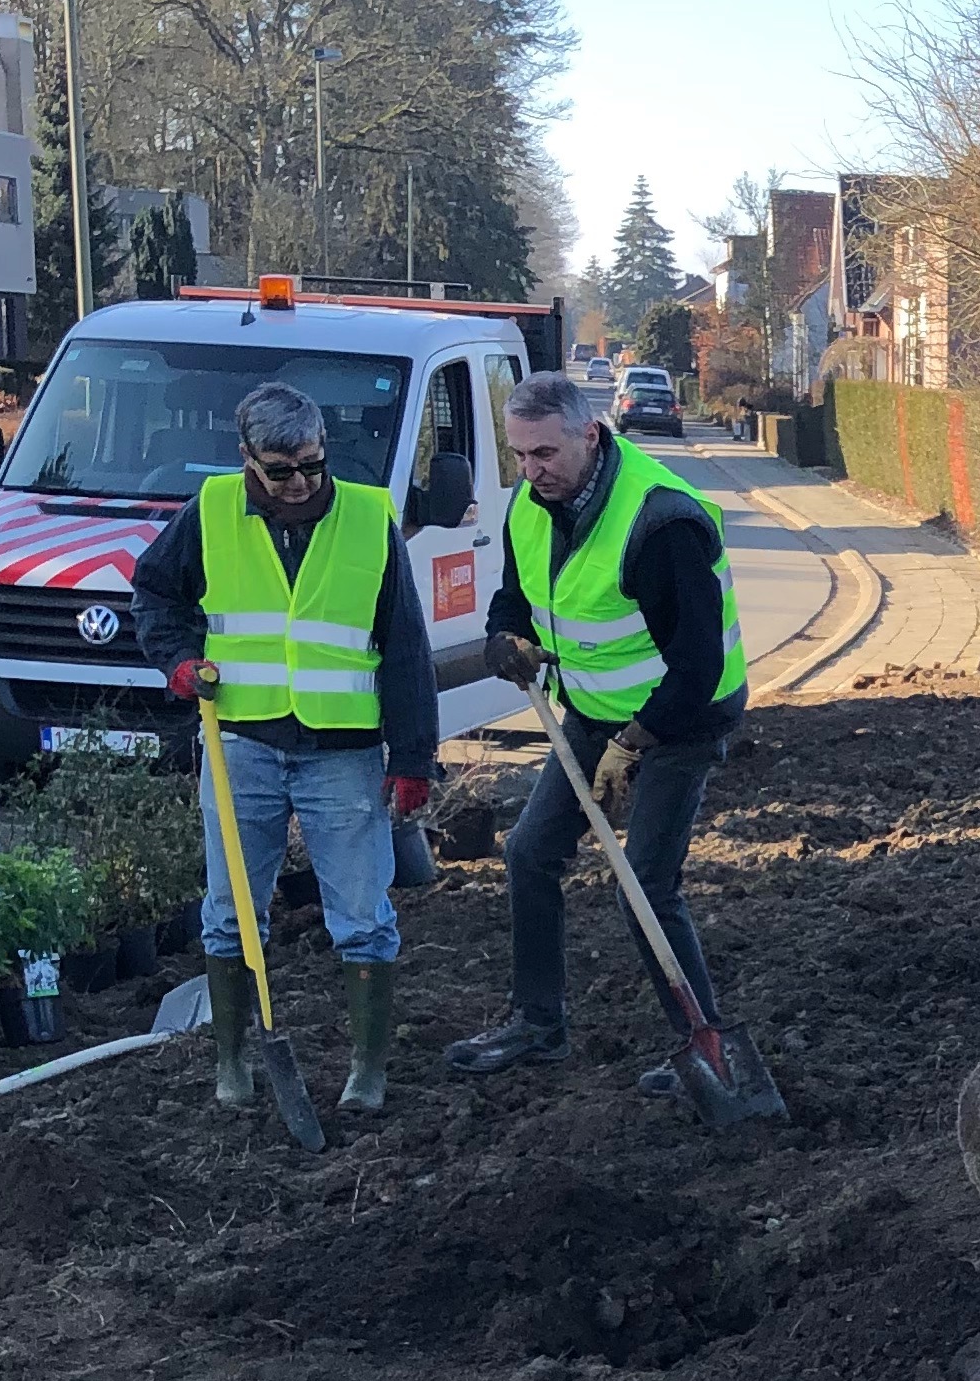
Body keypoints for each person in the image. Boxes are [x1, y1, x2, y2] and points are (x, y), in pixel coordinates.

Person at [132, 382, 437, 1115]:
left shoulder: (368, 518)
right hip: (241, 738)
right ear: (246, 461)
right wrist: (177, 660)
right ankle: (232, 1064)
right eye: (282, 469)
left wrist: (414, 758)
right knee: (230, 911)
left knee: (362, 914)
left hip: (343, 750)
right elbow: (154, 591)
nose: (300, 482)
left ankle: (367, 1072)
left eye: (311, 464)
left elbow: (404, 646)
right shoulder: (209, 514)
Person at [445, 372, 746, 1093]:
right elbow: (513, 599)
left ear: (589, 434)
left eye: (545, 452)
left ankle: (705, 1045)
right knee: (528, 851)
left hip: (685, 716)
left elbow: (698, 664)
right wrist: (502, 640)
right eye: (519, 455)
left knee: (644, 883)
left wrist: (633, 742)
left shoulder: (660, 520)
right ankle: (538, 1023)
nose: (532, 470)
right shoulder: (528, 504)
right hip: (591, 710)